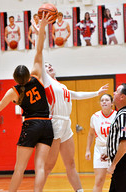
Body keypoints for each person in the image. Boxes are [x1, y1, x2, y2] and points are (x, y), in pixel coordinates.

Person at [33, 13, 108, 192]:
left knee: (71, 163)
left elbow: (77, 94)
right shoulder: (46, 81)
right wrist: (41, 32)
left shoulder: (62, 85)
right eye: (46, 66)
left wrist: (96, 93)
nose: (49, 66)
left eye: (51, 65)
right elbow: (39, 52)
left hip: (66, 123)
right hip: (54, 122)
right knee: (49, 167)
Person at [0, 14, 54, 192]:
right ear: (28, 75)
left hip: (31, 125)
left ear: (15, 79)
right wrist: (42, 28)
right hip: (46, 125)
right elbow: (39, 50)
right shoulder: (37, 76)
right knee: (41, 167)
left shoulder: (13, 92)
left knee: (19, 168)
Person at [85, 94, 116, 192]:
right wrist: (87, 150)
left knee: (118, 180)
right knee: (99, 181)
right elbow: (90, 134)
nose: (104, 102)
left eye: (107, 100)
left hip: (114, 150)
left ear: (112, 103)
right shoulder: (95, 116)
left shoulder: (117, 115)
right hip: (100, 149)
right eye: (102, 100)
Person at [101, 83, 126, 192]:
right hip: (119, 163)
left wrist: (113, 165)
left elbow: (124, 143)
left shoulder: (123, 115)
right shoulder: (120, 113)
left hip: (122, 164)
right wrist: (109, 152)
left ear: (122, 97)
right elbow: (117, 139)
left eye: (116, 91)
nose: (113, 93)